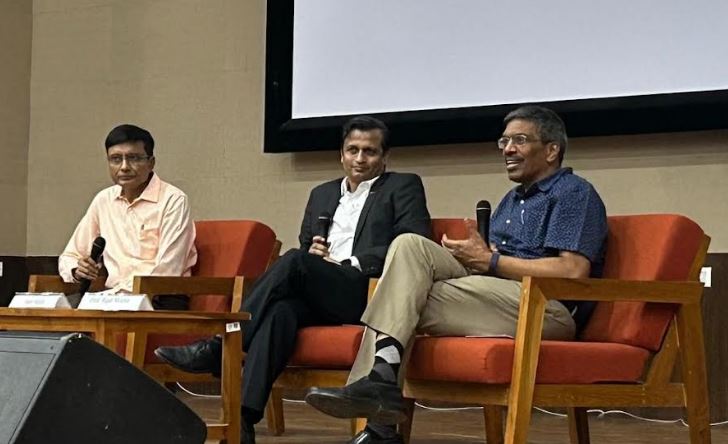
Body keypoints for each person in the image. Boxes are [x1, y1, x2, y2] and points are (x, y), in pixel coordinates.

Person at [305, 106, 608, 444]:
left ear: (552, 150)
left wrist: (491, 261)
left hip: (544, 310)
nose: (508, 149)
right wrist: (477, 257)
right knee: (409, 245)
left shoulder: (572, 193)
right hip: (496, 297)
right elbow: (493, 264)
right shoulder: (511, 200)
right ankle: (380, 392)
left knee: (402, 295)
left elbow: (572, 271)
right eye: (504, 141)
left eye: (520, 140)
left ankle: (378, 422)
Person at [154, 116, 432, 443]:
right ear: (341, 154)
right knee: (280, 311)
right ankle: (243, 421)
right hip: (321, 288)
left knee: (294, 261)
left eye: (369, 152)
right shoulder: (322, 194)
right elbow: (305, 247)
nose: (359, 159)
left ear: (385, 157)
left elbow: (413, 242)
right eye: (352, 150)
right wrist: (312, 254)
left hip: (369, 291)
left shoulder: (402, 186)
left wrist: (349, 261)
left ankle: (221, 344)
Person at [59, 124, 197, 309]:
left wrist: (112, 297)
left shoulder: (173, 200)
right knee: (50, 315)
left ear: (151, 163)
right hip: (112, 299)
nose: (124, 167)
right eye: (116, 159)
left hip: (160, 298)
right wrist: (77, 270)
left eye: (134, 158)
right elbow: (70, 255)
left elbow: (167, 271)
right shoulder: (104, 200)